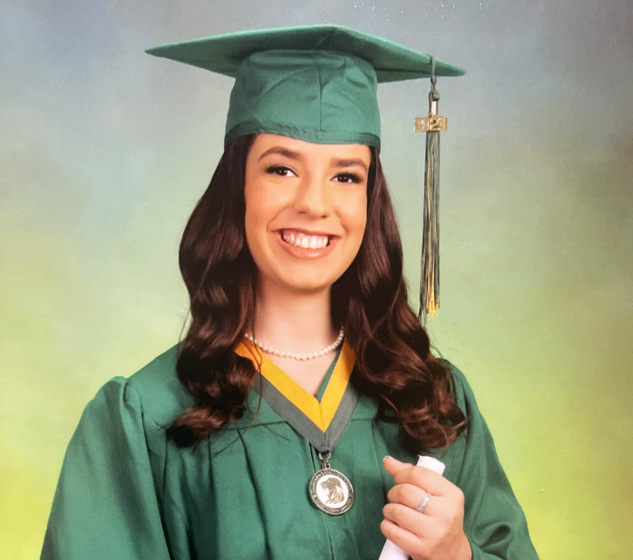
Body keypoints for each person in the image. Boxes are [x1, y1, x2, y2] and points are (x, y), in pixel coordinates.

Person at [41, 25, 539, 560]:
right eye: (281, 168)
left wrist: (458, 557)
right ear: (238, 188)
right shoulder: (147, 417)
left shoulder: (431, 402)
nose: (314, 205)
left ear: (370, 202)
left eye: (346, 177)